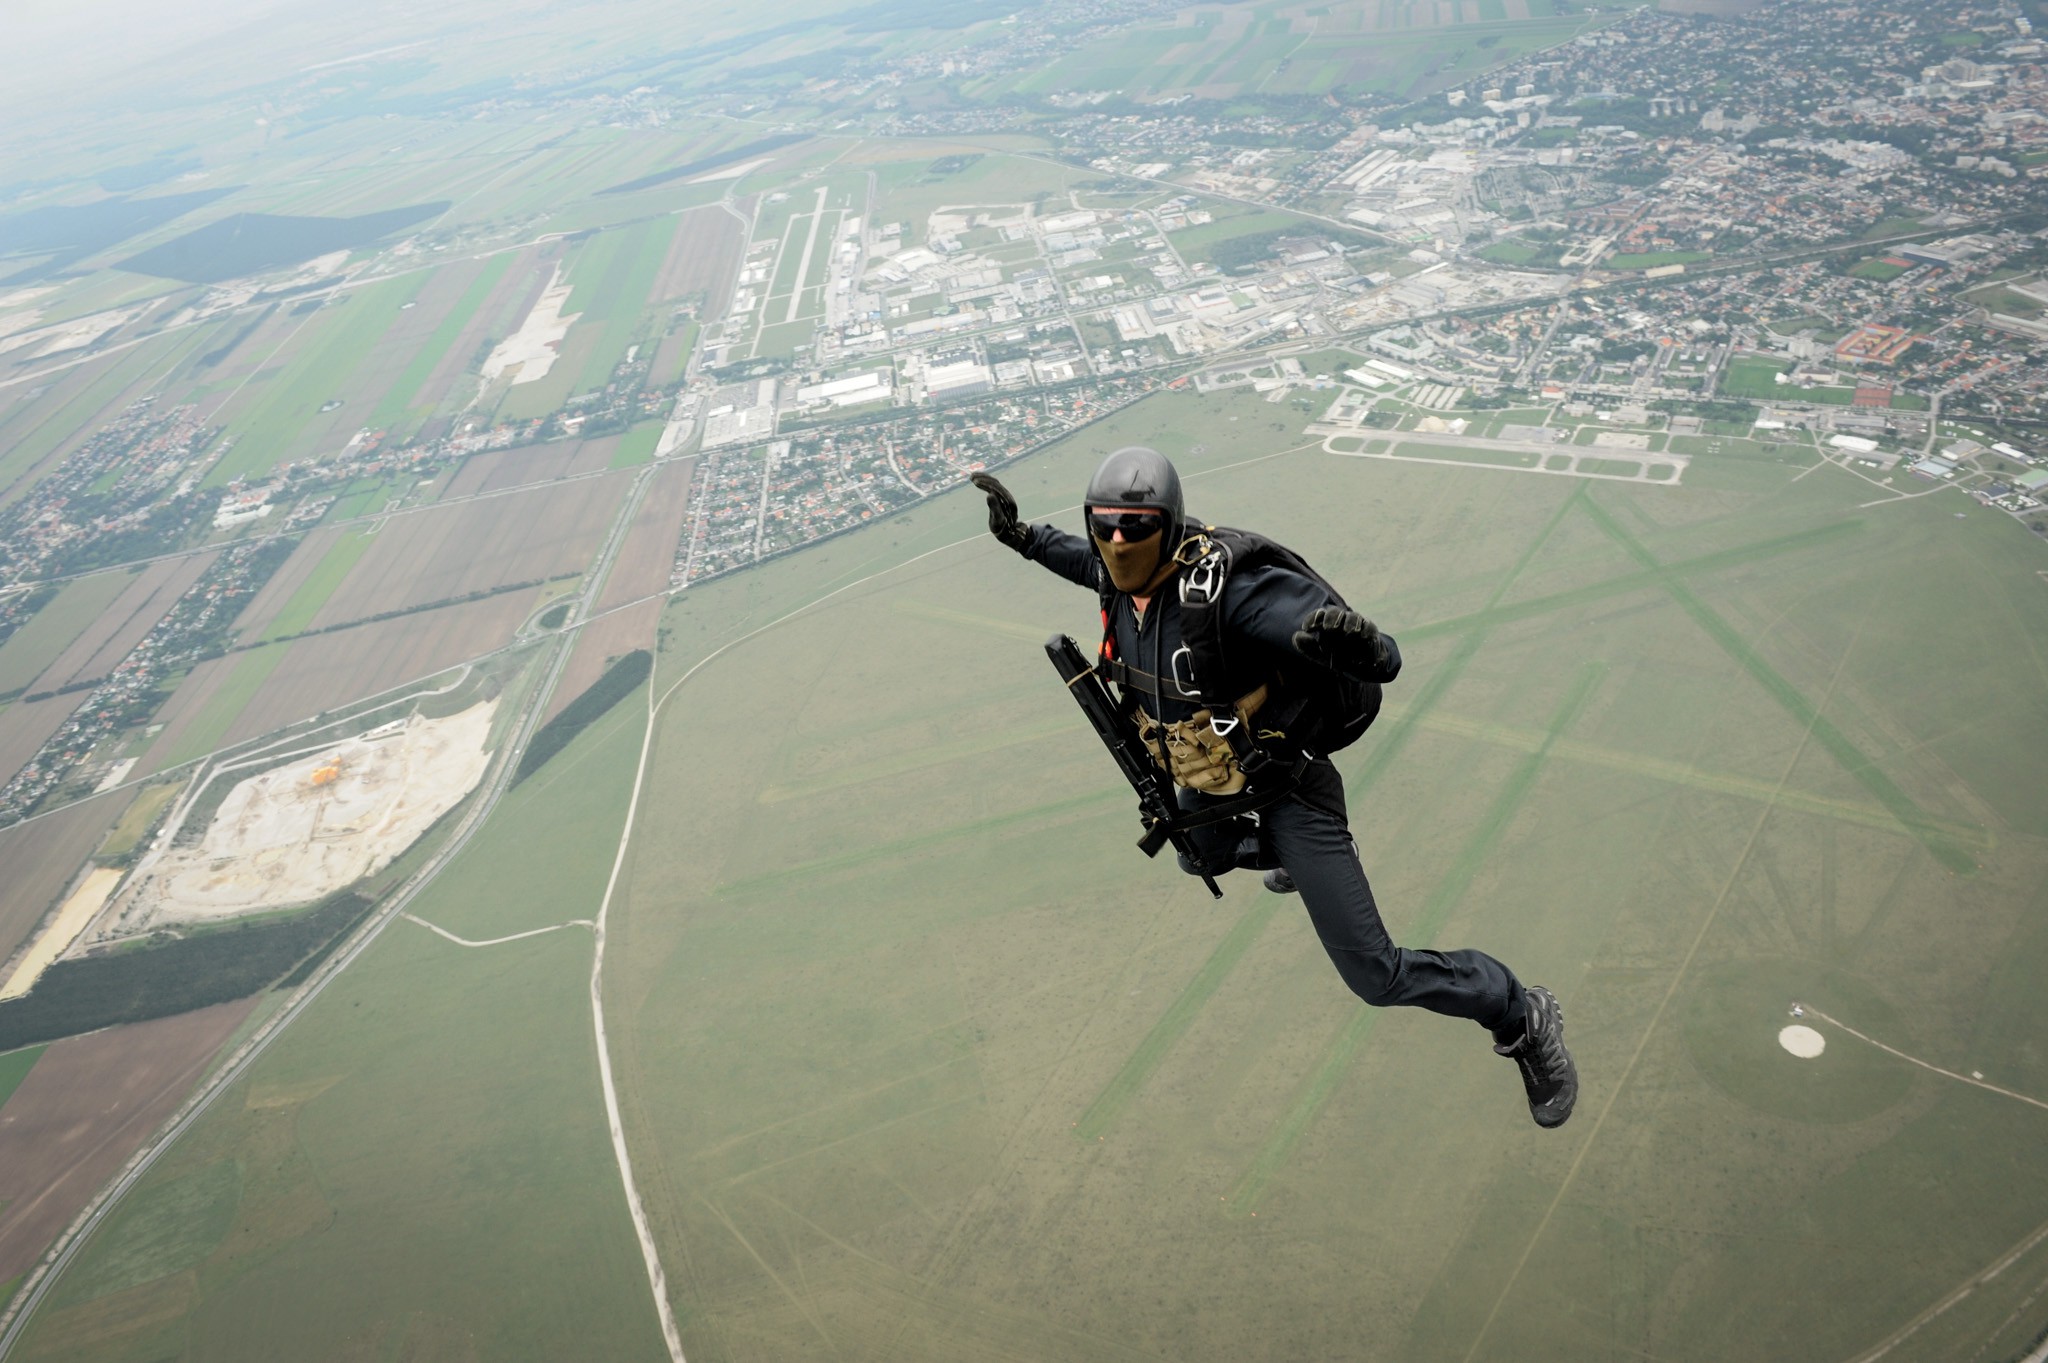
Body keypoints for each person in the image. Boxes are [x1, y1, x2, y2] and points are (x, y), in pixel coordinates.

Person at [969, 447, 1578, 1128]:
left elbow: (1373, 653)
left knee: (1375, 975)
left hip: (1284, 782)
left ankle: (1517, 1011)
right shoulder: (1118, 584)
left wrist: (1361, 647)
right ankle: (1279, 855)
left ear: (1168, 525)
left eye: (1134, 525)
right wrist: (1021, 537)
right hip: (1208, 776)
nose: (1116, 540)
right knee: (1198, 855)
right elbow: (1081, 560)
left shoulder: (1228, 593)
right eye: (1104, 523)